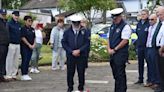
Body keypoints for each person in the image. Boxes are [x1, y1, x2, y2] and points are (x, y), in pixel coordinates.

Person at [62, 15, 90, 92]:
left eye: (78, 23)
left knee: (81, 72)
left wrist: (79, 50)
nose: (76, 25)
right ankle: (70, 88)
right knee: (70, 73)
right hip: (71, 56)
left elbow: (87, 43)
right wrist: (71, 51)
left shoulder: (85, 31)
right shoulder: (67, 32)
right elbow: (64, 43)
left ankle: (81, 88)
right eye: (75, 23)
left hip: (81, 55)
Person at [107, 8, 132, 92]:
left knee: (120, 74)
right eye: (113, 18)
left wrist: (114, 49)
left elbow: (125, 40)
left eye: (116, 18)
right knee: (116, 74)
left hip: (120, 54)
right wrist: (109, 48)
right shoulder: (112, 26)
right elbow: (109, 38)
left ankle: (122, 90)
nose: (115, 20)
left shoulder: (125, 26)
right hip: (112, 54)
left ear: (120, 17)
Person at [144, 14, 161, 89]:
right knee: (149, 65)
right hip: (148, 48)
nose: (150, 21)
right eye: (149, 19)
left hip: (154, 48)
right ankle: (150, 80)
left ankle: (156, 81)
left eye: (152, 19)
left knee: (155, 66)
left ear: (156, 19)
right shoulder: (150, 27)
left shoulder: (158, 27)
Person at [135, 9, 150, 84]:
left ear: (147, 15)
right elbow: (138, 33)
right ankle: (140, 78)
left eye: (144, 14)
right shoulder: (139, 23)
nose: (142, 15)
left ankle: (149, 79)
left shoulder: (149, 23)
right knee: (140, 63)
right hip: (140, 46)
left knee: (149, 63)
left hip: (147, 47)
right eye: (142, 14)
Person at [6, 11, 21, 81]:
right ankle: (8, 74)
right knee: (10, 60)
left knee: (16, 60)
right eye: (15, 15)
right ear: (12, 15)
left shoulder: (18, 24)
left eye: (17, 15)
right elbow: (7, 33)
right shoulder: (9, 23)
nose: (16, 17)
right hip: (11, 44)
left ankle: (14, 74)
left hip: (18, 44)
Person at [20, 16, 35, 81]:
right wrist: (29, 44)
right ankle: (23, 74)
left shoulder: (32, 29)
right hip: (25, 47)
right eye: (29, 21)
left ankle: (26, 73)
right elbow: (23, 37)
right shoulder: (23, 28)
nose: (30, 22)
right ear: (25, 21)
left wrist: (34, 44)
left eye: (31, 21)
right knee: (25, 59)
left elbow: (34, 37)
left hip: (31, 47)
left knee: (28, 60)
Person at [154, 6, 164, 92]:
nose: (159, 16)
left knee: (162, 69)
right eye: (158, 14)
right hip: (159, 48)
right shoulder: (161, 24)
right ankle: (161, 86)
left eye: (160, 14)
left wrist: (161, 49)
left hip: (162, 49)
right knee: (160, 69)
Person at [0, 9, 10, 82]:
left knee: (3, 61)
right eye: (2, 14)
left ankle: (1, 76)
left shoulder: (5, 22)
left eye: (4, 14)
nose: (4, 15)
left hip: (5, 44)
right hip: (1, 44)